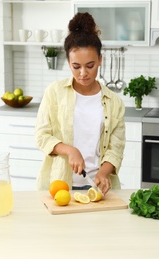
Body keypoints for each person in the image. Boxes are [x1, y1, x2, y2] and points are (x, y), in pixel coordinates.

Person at [35, 12, 125, 195]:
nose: (83, 73)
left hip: (99, 187)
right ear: (68, 62)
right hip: (60, 185)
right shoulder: (54, 92)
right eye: (76, 66)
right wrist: (69, 150)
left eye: (90, 65)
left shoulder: (114, 102)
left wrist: (104, 172)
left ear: (100, 60)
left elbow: (116, 147)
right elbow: (42, 136)